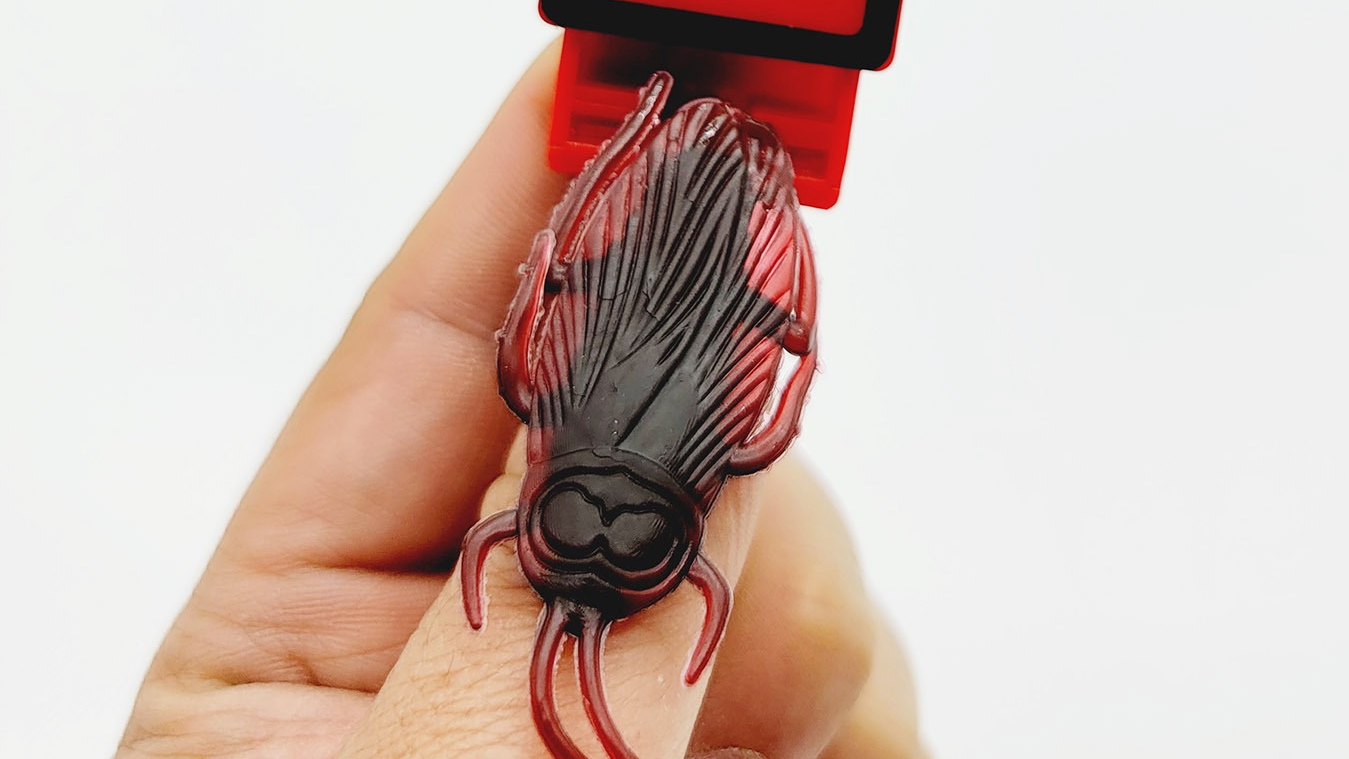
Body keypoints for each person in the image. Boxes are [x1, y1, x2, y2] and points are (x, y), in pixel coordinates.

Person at [116, 43, 920, 759]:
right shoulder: (617, 449)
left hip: (658, 310)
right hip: (676, 314)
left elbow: (566, 298)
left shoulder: (588, 454)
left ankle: (647, 147)